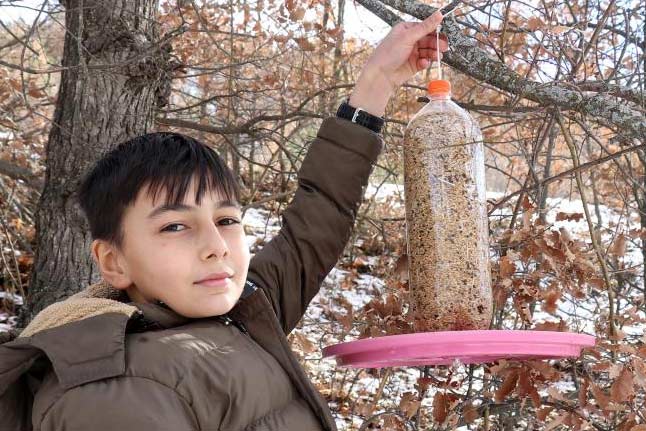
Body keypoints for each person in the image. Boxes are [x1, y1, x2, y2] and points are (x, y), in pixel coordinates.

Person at [0, 10, 449, 431]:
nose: (215, 245)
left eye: (227, 219)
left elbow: (316, 222)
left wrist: (376, 83)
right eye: (174, 226)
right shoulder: (110, 393)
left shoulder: (241, 307)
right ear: (113, 262)